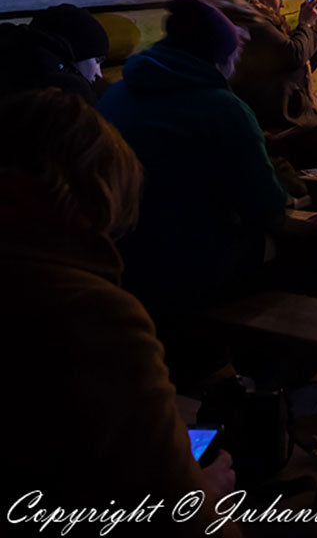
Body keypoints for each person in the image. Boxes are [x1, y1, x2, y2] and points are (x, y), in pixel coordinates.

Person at [0, 89, 239, 535]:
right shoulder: (94, 315)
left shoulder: (122, 93)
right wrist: (206, 491)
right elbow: (177, 512)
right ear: (97, 194)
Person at [100, 0, 317, 380]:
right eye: (233, 54)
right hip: (191, 264)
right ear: (216, 57)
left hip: (123, 256)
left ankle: (267, 357)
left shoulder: (116, 95)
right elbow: (267, 209)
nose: (238, 62)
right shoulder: (221, 108)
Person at [225, 0, 317, 170]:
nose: (283, 4)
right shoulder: (254, 24)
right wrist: (305, 24)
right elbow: (294, 55)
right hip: (285, 129)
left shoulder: (269, 25)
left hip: (299, 122)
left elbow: (298, 68)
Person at [0, 3, 108, 102]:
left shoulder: (14, 51)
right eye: (97, 61)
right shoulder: (71, 91)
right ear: (78, 50)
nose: (99, 74)